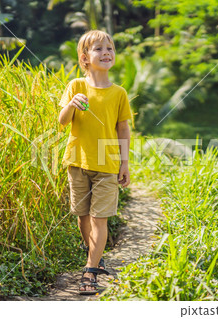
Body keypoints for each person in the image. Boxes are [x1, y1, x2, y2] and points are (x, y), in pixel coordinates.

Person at [58, 30, 132, 295]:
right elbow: (62, 121)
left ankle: (90, 272)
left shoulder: (119, 93)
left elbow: (123, 129)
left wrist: (125, 163)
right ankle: (95, 256)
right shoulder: (76, 86)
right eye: (98, 49)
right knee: (83, 217)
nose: (106, 53)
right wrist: (72, 105)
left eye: (109, 48)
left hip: (107, 164)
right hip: (77, 162)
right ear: (85, 58)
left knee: (100, 219)